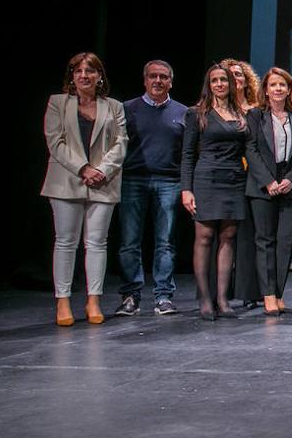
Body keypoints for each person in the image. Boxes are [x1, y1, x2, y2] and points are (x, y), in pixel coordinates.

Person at [42, 53, 128, 326]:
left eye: (90, 70)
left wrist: (101, 170)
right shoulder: (58, 103)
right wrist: (83, 168)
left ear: (99, 75)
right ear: (72, 76)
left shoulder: (113, 106)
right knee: (66, 242)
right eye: (78, 71)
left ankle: (94, 299)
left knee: (97, 242)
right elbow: (55, 142)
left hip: (103, 181)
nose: (84, 75)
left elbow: (120, 142)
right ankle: (63, 299)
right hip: (67, 180)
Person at [114, 60, 187, 317]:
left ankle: (164, 296)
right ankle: (130, 295)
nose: (158, 81)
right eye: (153, 76)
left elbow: (187, 153)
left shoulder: (183, 112)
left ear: (171, 81)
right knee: (129, 241)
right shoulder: (126, 109)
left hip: (169, 181)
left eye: (163, 77)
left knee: (165, 241)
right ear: (145, 80)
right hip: (133, 180)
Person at [181, 65, 249, 319]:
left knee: (228, 237)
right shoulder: (197, 113)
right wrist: (186, 189)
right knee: (205, 237)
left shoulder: (240, 113)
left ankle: (222, 298)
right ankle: (205, 300)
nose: (220, 84)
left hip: (234, 178)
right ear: (208, 85)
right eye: (215, 81)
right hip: (207, 177)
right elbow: (188, 154)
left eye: (224, 80)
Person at [245, 67, 292, 315]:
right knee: (265, 242)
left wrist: (291, 179)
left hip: (291, 187)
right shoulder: (255, 115)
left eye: (282, 84)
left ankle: (279, 293)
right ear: (266, 89)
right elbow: (250, 149)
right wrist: (268, 181)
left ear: (290, 89)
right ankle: (268, 294)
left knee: (285, 243)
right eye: (273, 84)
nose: (278, 89)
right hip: (263, 188)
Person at [221, 58, 263, 309]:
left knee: (248, 236)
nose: (234, 79)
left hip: (252, 177)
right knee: (223, 235)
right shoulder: (213, 109)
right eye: (228, 75)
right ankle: (220, 293)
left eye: (239, 75)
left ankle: (249, 291)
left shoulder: (257, 109)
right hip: (224, 177)